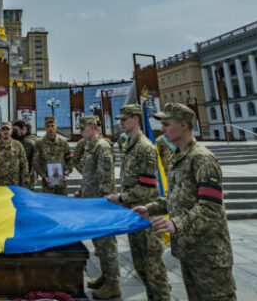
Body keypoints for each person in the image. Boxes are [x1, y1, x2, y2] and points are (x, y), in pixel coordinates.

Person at [133, 103, 236, 301]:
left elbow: (210, 208)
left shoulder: (202, 159)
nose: (161, 130)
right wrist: (150, 208)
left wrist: (175, 223)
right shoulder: (178, 157)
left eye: (166, 124)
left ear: (183, 125)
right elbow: (175, 196)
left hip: (209, 255)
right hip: (189, 252)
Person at [106, 105, 170, 300]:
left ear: (136, 118)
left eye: (125, 118)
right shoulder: (130, 145)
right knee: (141, 267)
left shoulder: (144, 147)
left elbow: (148, 187)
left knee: (154, 270)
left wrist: (122, 198)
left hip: (147, 218)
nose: (121, 122)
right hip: (134, 215)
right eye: (120, 119)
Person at [72, 116, 120, 299]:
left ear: (93, 127)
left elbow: (106, 178)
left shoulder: (102, 147)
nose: (80, 131)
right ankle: (106, 277)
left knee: (107, 244)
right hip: (92, 202)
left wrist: (104, 204)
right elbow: (89, 175)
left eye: (83, 128)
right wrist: (81, 191)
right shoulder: (89, 146)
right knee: (99, 243)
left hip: (101, 204)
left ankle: (113, 283)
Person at [34, 116, 73, 194]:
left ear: (56, 127)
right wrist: (44, 176)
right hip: (47, 181)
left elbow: (69, 160)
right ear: (45, 128)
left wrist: (66, 174)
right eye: (48, 126)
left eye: (52, 126)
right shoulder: (39, 143)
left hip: (61, 180)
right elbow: (36, 161)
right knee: (48, 203)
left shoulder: (63, 142)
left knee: (62, 203)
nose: (50, 128)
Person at [12, 119, 37, 190]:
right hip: (28, 177)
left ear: (23, 129)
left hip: (25, 178)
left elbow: (19, 160)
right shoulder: (30, 138)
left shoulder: (27, 142)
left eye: (15, 130)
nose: (13, 133)